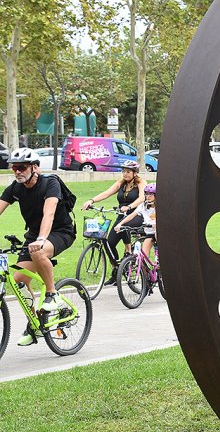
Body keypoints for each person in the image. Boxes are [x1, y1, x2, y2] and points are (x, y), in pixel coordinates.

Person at [0, 148, 76, 346]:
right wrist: (37, 238)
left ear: (34, 167)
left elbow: (49, 213)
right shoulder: (15, 188)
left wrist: (42, 239)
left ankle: (53, 295)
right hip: (34, 236)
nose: (17, 171)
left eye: (21, 167)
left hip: (60, 232)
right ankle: (35, 326)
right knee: (19, 280)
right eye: (14, 168)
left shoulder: (49, 183)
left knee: (39, 251)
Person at [81, 160, 147, 283]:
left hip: (135, 215)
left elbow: (142, 198)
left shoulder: (141, 183)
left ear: (135, 173)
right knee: (109, 243)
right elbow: (107, 193)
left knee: (123, 226)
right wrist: (91, 201)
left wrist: (129, 206)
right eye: (123, 171)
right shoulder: (121, 184)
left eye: (128, 172)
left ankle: (128, 250)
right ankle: (116, 270)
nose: (125, 174)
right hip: (121, 215)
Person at [115, 183, 157, 263]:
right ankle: (144, 274)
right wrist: (120, 224)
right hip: (149, 233)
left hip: (158, 233)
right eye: (146, 194)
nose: (148, 196)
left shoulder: (161, 206)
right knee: (143, 259)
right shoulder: (143, 206)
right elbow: (131, 215)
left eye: (151, 194)